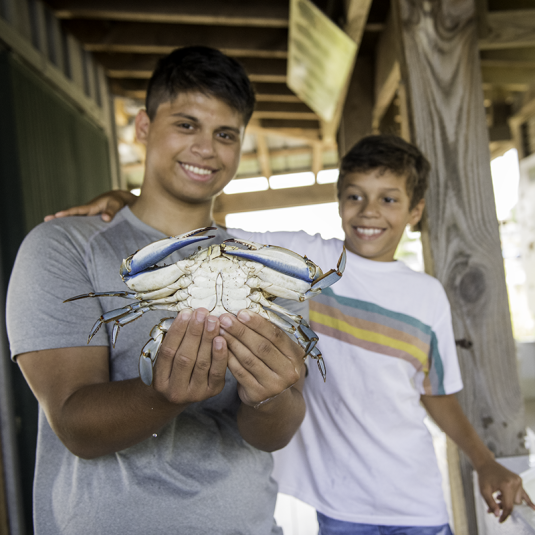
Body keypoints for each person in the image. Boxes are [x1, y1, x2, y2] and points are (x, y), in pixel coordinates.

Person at [56, 134, 535, 534]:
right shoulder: (304, 259)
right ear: (339, 201)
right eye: (355, 196)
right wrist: (130, 205)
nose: (369, 211)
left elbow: (437, 394)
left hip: (418, 500)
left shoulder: (427, 295)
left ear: (415, 211)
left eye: (389, 199)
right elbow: (204, 234)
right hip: (337, 506)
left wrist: (484, 460)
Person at [6, 46, 308, 535]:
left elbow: (275, 431)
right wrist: (162, 397)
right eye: (186, 124)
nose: (206, 148)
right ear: (144, 127)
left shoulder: (266, 270)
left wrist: (270, 396)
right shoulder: (64, 248)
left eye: (225, 133)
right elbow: (74, 423)